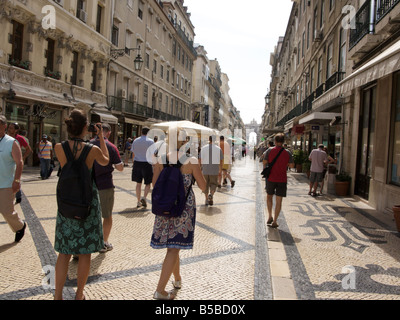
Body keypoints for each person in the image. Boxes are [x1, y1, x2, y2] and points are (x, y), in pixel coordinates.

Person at [53, 109, 109, 300]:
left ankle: (58, 295)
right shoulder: (92, 150)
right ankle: (79, 294)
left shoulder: (58, 148)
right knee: (85, 254)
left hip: (66, 203)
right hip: (87, 203)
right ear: (86, 127)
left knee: (64, 253)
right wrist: (101, 137)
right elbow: (106, 161)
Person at [151, 129, 206, 300]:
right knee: (174, 248)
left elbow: (154, 185)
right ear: (185, 142)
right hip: (183, 207)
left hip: (165, 205)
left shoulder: (160, 159)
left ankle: (177, 279)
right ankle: (159, 291)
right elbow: (203, 187)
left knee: (173, 247)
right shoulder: (191, 160)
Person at [90, 123, 124, 253]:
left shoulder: (88, 144)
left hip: (90, 184)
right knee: (107, 215)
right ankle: (103, 242)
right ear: (108, 133)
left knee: (90, 215)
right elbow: (120, 168)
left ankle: (89, 242)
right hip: (105, 185)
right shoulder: (111, 147)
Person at [0, 116, 26, 242]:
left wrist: (16, 181)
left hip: (6, 184)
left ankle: (20, 226)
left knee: (6, 211)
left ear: (4, 126)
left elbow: (19, 162)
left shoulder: (11, 142)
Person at [263, 133, 293, 229]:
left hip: (271, 178)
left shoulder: (269, 150)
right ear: (283, 142)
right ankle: (275, 221)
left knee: (269, 197)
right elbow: (292, 166)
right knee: (279, 201)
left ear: (275, 141)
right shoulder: (287, 152)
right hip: (282, 179)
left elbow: (264, 162)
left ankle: (269, 216)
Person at [7, 123, 32, 204]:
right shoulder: (5, 137)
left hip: (15, 163)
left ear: (16, 130)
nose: (9, 129)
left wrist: (23, 157)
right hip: (6, 161)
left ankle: (18, 196)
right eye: (9, 127)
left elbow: (29, 149)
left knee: (15, 179)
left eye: (11, 128)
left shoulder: (20, 138)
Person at [131, 127, 154, 208]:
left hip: (137, 163)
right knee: (148, 183)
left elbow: (133, 153)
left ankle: (138, 201)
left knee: (138, 183)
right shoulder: (151, 141)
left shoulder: (136, 140)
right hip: (147, 163)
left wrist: (134, 162)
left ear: (141, 132)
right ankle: (144, 197)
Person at [199, 135, 223, 205]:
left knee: (205, 185)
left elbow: (200, 159)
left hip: (205, 169)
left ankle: (206, 199)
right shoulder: (218, 149)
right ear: (215, 140)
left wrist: (199, 168)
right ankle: (211, 194)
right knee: (213, 184)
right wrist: (220, 170)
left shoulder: (203, 148)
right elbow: (221, 161)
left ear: (209, 139)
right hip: (214, 169)